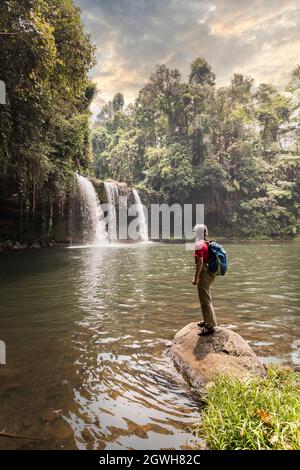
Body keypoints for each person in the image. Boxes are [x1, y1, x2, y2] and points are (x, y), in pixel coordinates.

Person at [192, 224, 217, 336]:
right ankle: (207, 320)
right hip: (210, 273)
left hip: (204, 274)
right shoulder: (206, 243)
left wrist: (196, 278)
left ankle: (209, 326)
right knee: (206, 298)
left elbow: (200, 263)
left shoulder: (198, 245)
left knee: (205, 300)